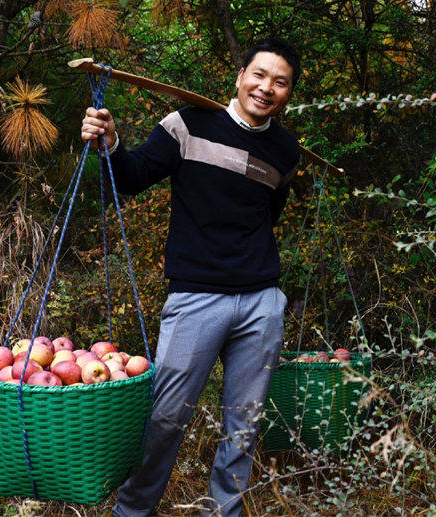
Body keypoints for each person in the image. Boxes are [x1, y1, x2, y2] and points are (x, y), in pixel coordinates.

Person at [80, 37, 300, 517]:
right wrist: (110, 142)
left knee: (244, 425)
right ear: (240, 76)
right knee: (164, 418)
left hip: (261, 302)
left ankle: (225, 512)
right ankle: (132, 511)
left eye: (280, 82)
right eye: (259, 75)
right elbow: (133, 175)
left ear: (288, 94)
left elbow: (268, 213)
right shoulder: (187, 125)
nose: (266, 88)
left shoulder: (286, 152)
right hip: (197, 299)